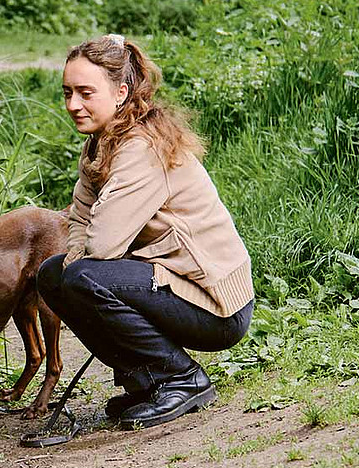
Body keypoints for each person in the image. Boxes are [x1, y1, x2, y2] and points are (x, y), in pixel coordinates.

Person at [37, 34, 254, 429]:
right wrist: (71, 266)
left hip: (217, 303)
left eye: (86, 92)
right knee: (55, 275)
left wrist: (80, 265)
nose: (73, 104)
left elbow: (102, 243)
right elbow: (79, 219)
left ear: (121, 92)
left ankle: (182, 379)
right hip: (169, 282)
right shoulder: (99, 145)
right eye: (67, 92)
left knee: (83, 276)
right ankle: (148, 383)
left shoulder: (142, 147)